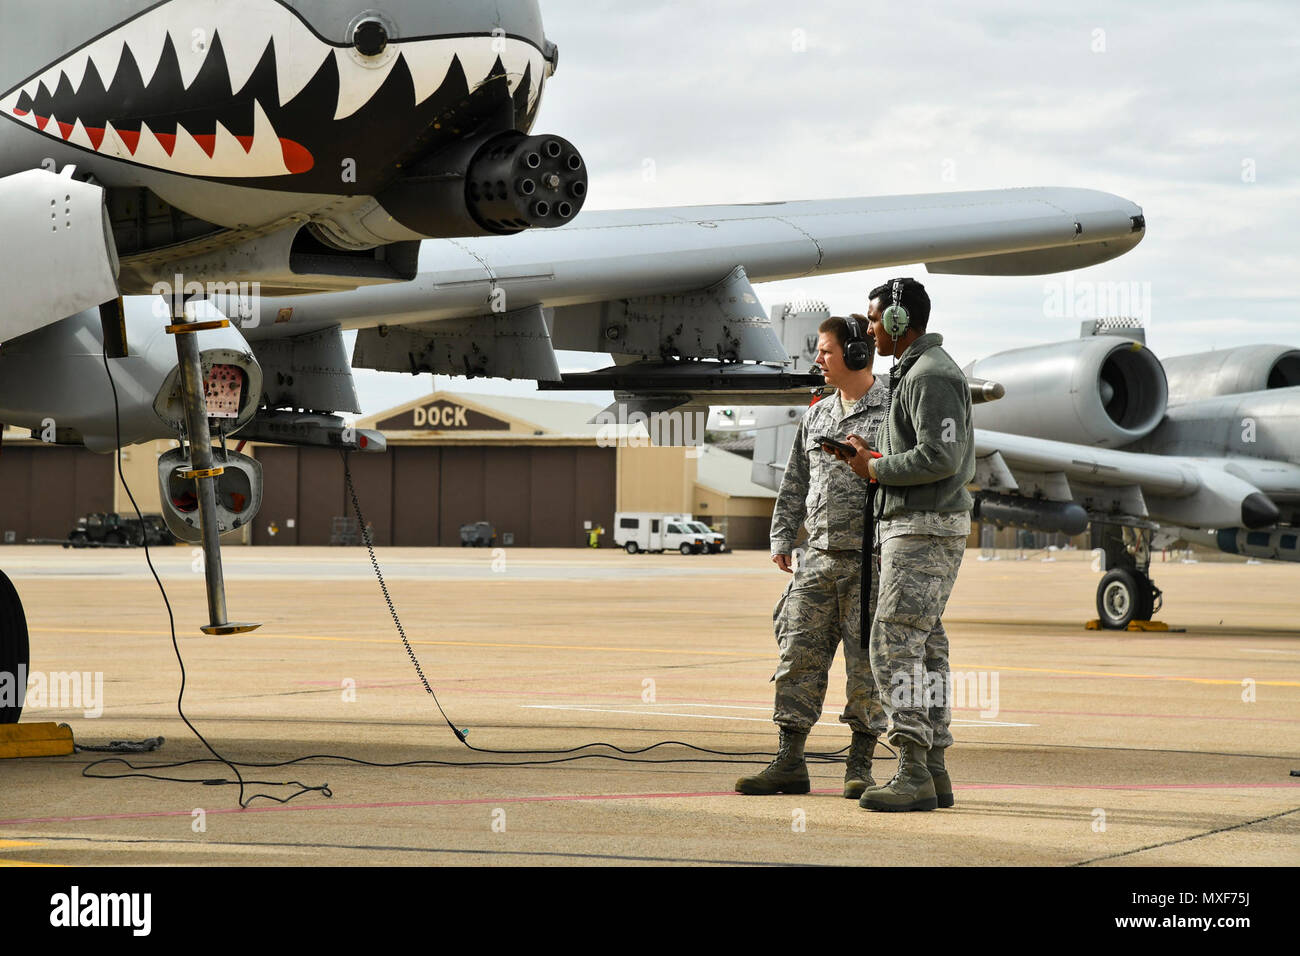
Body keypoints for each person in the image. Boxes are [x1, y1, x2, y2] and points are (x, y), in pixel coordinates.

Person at [832, 278, 974, 812]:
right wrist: (875, 454)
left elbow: (941, 457)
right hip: (917, 525)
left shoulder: (931, 374)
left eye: (873, 320)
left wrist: (874, 467)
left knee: (892, 641)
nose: (868, 330)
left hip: (924, 528)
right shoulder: (918, 372)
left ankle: (912, 769)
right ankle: (932, 770)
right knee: (926, 645)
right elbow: (922, 449)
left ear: (897, 320)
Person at [735, 315, 889, 798]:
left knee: (867, 669)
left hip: (873, 562)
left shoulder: (892, 411)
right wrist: (782, 537)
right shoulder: (818, 413)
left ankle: (859, 764)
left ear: (857, 354)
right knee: (797, 657)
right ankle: (789, 760)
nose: (817, 359)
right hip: (817, 558)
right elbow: (795, 481)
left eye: (825, 351)